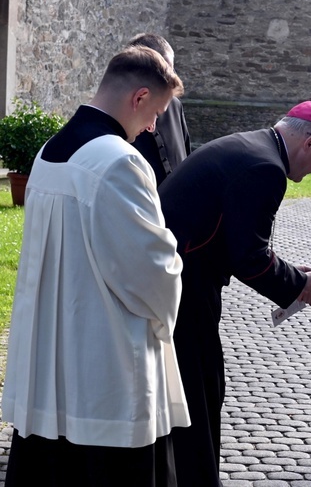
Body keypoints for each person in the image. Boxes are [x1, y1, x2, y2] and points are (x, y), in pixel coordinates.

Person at [1, 46, 188, 486]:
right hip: (107, 363)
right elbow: (153, 272)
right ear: (139, 98)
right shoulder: (120, 160)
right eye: (158, 111)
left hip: (50, 356)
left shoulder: (49, 152)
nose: (154, 125)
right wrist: (172, 290)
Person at [158, 101, 311, 486]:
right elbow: (249, 257)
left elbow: (235, 240)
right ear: (310, 142)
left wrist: (292, 273)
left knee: (196, 387)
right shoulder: (267, 169)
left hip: (177, 277)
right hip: (185, 287)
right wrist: (300, 285)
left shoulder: (253, 146)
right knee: (201, 391)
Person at [129, 33, 191, 186]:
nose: (171, 79)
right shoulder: (122, 114)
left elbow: (187, 158)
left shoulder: (175, 106)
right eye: (165, 72)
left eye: (172, 71)